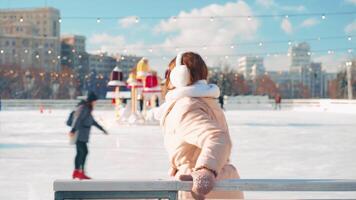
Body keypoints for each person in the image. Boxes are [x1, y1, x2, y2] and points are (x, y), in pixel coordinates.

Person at [155, 52, 244, 199]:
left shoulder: (186, 106)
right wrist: (180, 159)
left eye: (168, 74)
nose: (167, 80)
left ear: (179, 76)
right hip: (222, 184)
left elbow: (216, 138)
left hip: (199, 189)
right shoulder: (204, 101)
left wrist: (205, 170)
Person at [69, 92, 108, 180]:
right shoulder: (84, 108)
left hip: (83, 135)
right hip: (79, 134)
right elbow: (78, 119)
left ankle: (77, 172)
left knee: (81, 152)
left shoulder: (87, 108)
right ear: (91, 100)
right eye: (95, 101)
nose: (95, 103)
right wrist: (73, 130)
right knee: (83, 152)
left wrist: (102, 129)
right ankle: (79, 172)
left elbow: (92, 121)